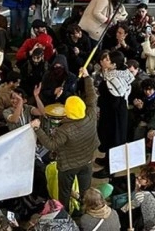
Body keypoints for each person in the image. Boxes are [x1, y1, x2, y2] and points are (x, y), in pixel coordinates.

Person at [31, 67, 99, 211]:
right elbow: (92, 97)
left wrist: (37, 128)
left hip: (68, 166)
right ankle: (85, 211)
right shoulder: (91, 115)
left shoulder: (65, 129)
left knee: (65, 193)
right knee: (86, 192)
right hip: (87, 161)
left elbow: (51, 145)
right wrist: (87, 77)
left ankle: (65, 215)